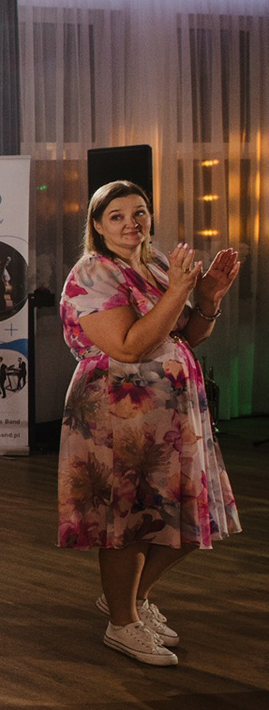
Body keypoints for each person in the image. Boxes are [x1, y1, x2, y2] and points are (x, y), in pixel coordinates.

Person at [57, 180, 241, 666]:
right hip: (120, 413)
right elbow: (130, 346)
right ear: (98, 226)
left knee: (185, 515)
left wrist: (208, 298)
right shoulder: (93, 272)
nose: (131, 224)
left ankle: (129, 600)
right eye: (116, 216)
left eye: (139, 212)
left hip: (172, 414)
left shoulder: (156, 262)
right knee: (132, 517)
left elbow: (187, 336)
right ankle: (122, 624)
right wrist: (178, 290)